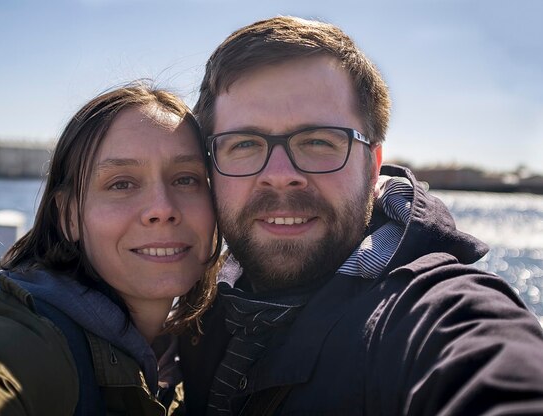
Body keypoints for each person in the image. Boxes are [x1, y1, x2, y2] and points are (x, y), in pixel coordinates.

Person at [178, 16, 543, 415]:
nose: (280, 177)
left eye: (318, 141)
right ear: (211, 166)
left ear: (372, 166)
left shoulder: (432, 314)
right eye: (244, 143)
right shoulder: (194, 310)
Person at [0, 81, 221, 415]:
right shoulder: (28, 335)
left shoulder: (192, 353)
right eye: (121, 183)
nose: (162, 208)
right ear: (69, 216)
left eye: (186, 179)